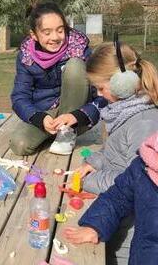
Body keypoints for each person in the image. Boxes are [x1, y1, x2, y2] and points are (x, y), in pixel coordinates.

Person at [73, 39, 158, 264]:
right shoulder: (126, 113)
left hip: (131, 237)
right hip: (116, 221)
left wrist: (89, 180)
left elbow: (131, 181)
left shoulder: (144, 124)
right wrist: (93, 162)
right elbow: (115, 152)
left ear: (123, 83)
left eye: (101, 88)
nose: (99, 95)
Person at [10, 2, 104, 156]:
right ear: (34, 35)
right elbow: (19, 97)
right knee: (19, 145)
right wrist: (39, 118)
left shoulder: (80, 49)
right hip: (47, 113)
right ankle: (54, 134)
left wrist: (78, 116)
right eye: (47, 33)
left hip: (77, 116)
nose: (55, 37)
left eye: (60, 31)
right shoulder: (26, 57)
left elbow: (103, 94)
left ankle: (67, 133)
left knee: (75, 65)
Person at [63, 131, 158, 265]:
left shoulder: (143, 123)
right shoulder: (147, 161)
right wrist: (95, 225)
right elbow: (119, 195)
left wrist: (89, 180)